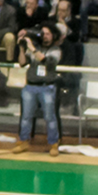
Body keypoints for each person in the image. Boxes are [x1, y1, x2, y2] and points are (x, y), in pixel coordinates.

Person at [11, 27, 60, 155]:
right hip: (30, 86)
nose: (45, 36)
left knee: (50, 117)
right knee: (26, 116)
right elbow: (22, 62)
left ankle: (53, 144)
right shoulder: (32, 47)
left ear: (53, 36)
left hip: (47, 87)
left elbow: (47, 62)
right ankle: (23, 141)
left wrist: (32, 48)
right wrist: (22, 48)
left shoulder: (56, 50)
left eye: (48, 34)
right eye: (43, 34)